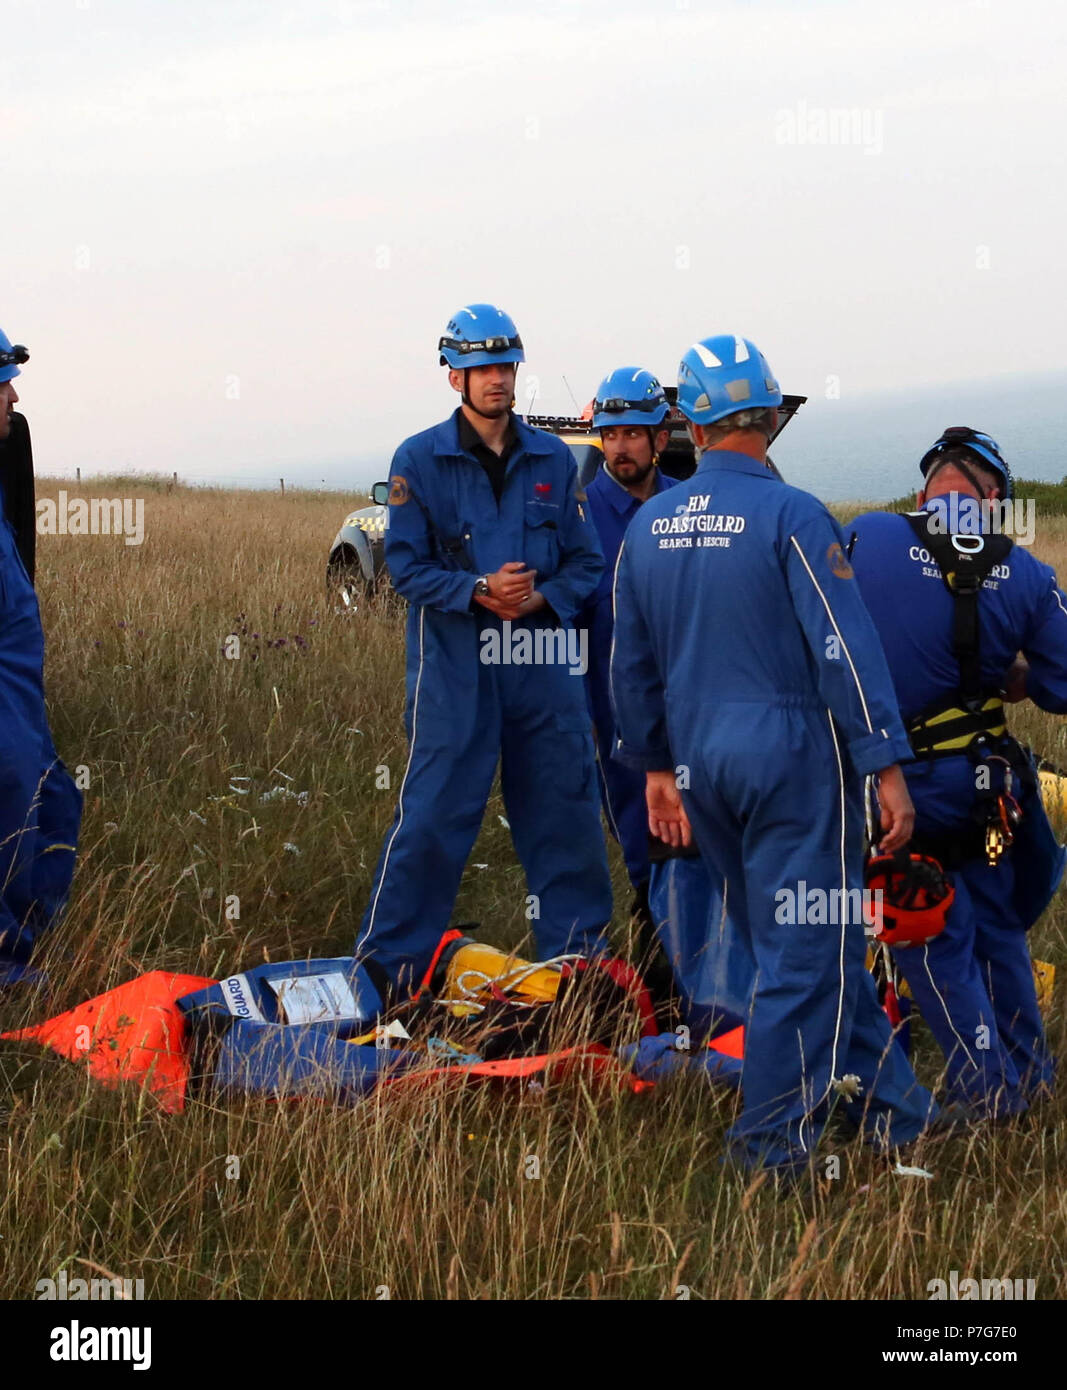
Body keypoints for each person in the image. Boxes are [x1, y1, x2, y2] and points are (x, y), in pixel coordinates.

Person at [610, 333, 937, 1174]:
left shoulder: (648, 525)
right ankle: (765, 1151)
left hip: (698, 766)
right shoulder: (792, 515)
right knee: (802, 957)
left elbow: (630, 662)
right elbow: (844, 651)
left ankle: (900, 1118)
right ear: (767, 417)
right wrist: (885, 766)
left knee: (799, 948)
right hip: (792, 758)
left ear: (691, 421)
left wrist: (653, 770)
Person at [354, 304, 613, 992]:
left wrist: (537, 598)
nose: (496, 379)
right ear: (453, 378)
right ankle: (388, 977)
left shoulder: (555, 460)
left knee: (565, 821)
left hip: (541, 674)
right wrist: (476, 590)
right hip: (456, 676)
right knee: (433, 823)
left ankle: (580, 977)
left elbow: (585, 565)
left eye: (504, 365)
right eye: (479, 368)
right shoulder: (418, 460)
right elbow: (404, 566)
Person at [849, 428, 1067, 1118]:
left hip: (895, 785)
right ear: (993, 499)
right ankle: (1030, 1077)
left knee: (929, 933)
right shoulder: (1026, 573)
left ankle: (985, 1093)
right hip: (984, 787)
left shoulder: (866, 539)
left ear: (926, 491)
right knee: (996, 926)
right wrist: (1016, 676)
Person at [0, 327, 82, 989]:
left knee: (52, 801)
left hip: (19, 694)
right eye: (3, 382)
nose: (14, 394)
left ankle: (21, 945)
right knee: (15, 808)